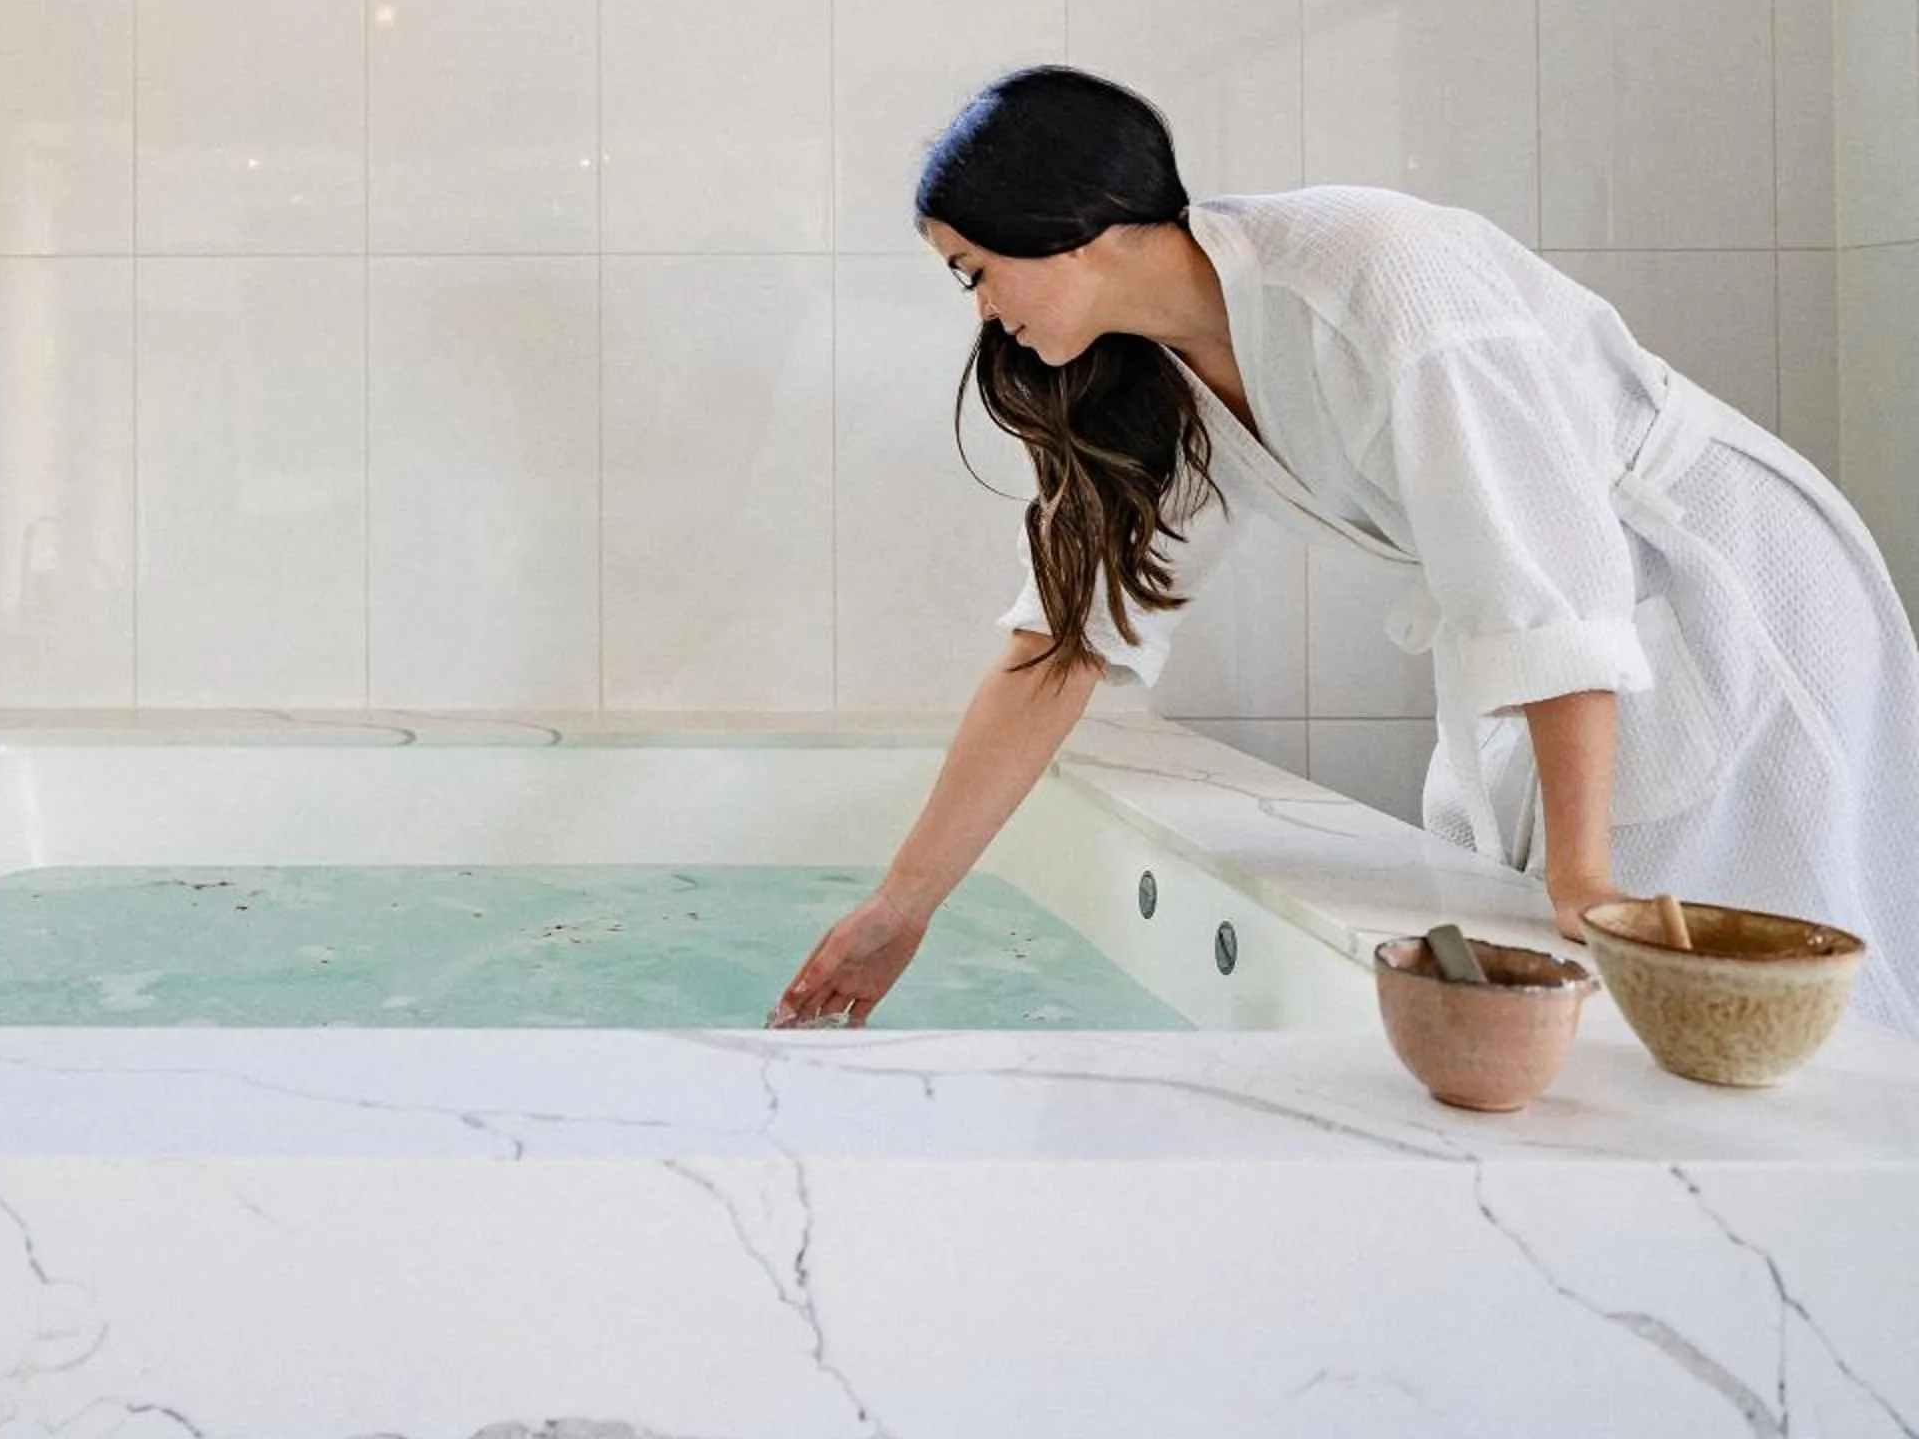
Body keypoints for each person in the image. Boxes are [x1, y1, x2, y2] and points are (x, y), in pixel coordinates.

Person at [772, 65, 1914, 1034]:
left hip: (1722, 575)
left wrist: (1581, 871)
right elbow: (1059, 649)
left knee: (1734, 968)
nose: (980, 311)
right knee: (1596, 961)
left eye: (976, 269)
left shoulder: (1378, 275)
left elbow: (1548, 583)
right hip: (1578, 616)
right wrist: (902, 905)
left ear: (1071, 226)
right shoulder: (1156, 379)